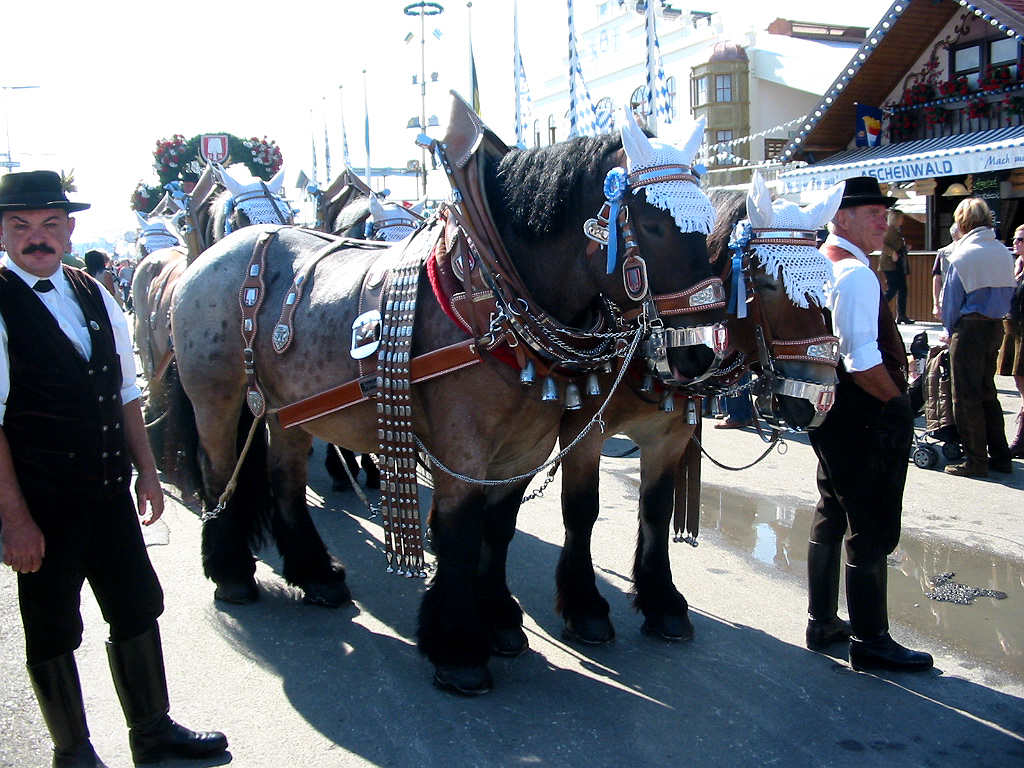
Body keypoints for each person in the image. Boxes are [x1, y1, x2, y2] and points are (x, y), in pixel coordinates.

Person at [0, 171, 227, 768]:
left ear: (70, 229)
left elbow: (125, 392)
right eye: (21, 226)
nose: (37, 238)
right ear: (2, 233)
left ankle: (151, 733)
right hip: (41, 501)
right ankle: (72, 752)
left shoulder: (92, 292)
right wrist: (16, 522)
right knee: (52, 627)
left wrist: (148, 473)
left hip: (107, 493)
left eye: (50, 224)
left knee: (135, 605)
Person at [805, 176, 932, 673]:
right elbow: (860, 359)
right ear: (841, 217)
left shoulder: (822, 262)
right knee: (873, 525)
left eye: (884, 211)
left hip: (832, 411)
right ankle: (872, 640)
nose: (884, 219)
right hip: (864, 412)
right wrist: (898, 402)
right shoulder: (855, 274)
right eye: (871, 211)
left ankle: (822, 621)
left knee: (832, 510)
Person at [941, 198, 1017, 477]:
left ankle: (975, 461)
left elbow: (951, 303)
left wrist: (949, 333)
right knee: (988, 392)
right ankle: (1001, 455)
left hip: (970, 328)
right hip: (996, 325)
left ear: (962, 221)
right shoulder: (1003, 251)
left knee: (965, 396)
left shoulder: (962, 255)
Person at [997, 224, 1024, 458]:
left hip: (1022, 330)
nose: (1015, 243)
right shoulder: (1017, 264)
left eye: (1020, 240)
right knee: (1018, 381)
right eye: (1015, 239)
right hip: (1012, 328)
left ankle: (1021, 439)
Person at [879, 208, 912, 323]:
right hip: (889, 263)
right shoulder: (890, 230)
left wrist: (904, 248)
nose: (903, 220)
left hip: (898, 263)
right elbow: (881, 244)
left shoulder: (897, 230)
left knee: (903, 289)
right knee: (893, 288)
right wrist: (891, 252)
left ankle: (901, 315)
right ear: (896, 219)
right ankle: (878, 307)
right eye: (901, 218)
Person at [932, 222, 960, 320]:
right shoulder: (943, 253)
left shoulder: (972, 252)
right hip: (947, 299)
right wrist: (936, 305)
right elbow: (937, 278)